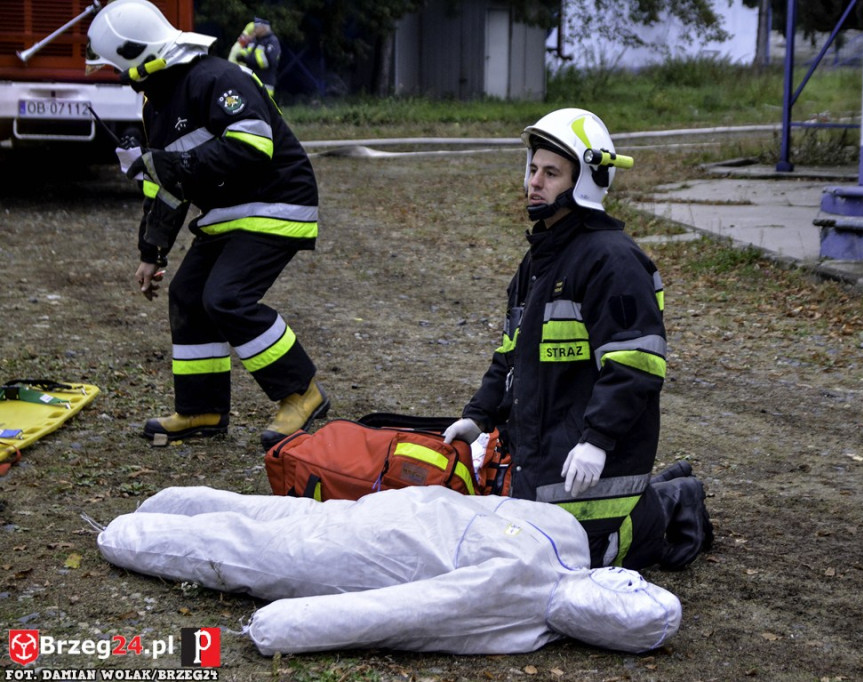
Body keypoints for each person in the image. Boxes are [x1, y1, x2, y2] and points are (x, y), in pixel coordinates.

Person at [443, 108, 712, 570]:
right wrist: (478, 416)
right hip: (546, 461)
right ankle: (662, 493)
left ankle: (674, 503)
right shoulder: (537, 263)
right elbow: (509, 355)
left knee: (576, 558)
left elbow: (636, 363)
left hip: (593, 461)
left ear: (583, 181)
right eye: (532, 169)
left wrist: (598, 440)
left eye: (551, 173)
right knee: (518, 547)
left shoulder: (613, 262)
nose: (534, 182)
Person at [86, 0, 329, 450]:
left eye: (118, 67)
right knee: (188, 295)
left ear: (136, 57)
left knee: (227, 298)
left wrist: (170, 162)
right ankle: (203, 409)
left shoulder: (215, 78)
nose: (120, 77)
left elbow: (253, 145)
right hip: (228, 214)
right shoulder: (157, 104)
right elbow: (169, 186)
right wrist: (151, 252)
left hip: (276, 203)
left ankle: (301, 393)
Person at [96, 485, 682, 655]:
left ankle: (124, 535)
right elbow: (485, 505)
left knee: (247, 547)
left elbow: (404, 613)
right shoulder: (569, 538)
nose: (620, 585)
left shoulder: (520, 609)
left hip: (358, 558)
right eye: (631, 587)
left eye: (616, 609)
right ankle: (168, 500)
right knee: (269, 517)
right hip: (391, 512)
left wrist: (288, 627)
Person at [237, 17, 281, 98]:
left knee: (263, 108)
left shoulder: (272, 41)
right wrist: (241, 56)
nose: (254, 29)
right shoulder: (255, 40)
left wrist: (247, 59)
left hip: (265, 84)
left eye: (256, 27)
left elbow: (267, 62)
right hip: (251, 81)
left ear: (263, 28)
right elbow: (245, 51)